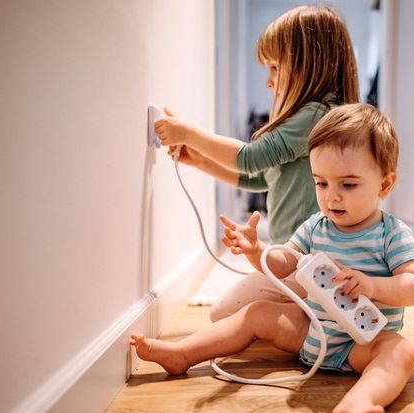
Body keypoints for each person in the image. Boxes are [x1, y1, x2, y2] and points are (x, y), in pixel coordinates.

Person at [132, 104, 414, 413]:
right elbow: (285, 262)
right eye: (321, 183)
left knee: (402, 352)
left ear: (385, 184)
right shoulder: (316, 226)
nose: (331, 196)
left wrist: (374, 285)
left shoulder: (392, 234)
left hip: (363, 344)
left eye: (348, 184)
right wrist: (258, 251)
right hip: (310, 332)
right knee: (257, 313)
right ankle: (183, 353)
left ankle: (358, 404)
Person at [154, 5, 360, 321]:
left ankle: (312, 307)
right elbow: (263, 179)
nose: (269, 81)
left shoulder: (316, 117)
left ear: (308, 64)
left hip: (306, 261)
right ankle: (309, 305)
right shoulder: (317, 115)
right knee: (228, 310)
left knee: (221, 314)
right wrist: (201, 161)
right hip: (293, 257)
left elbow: (250, 159)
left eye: (275, 68)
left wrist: (190, 134)